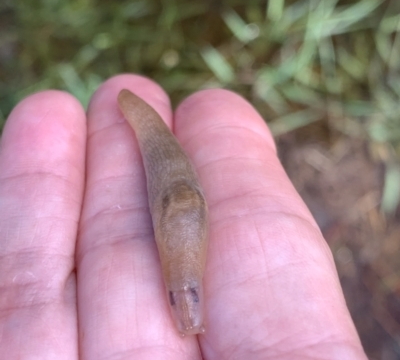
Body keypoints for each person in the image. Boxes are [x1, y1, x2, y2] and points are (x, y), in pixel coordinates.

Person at [0, 74, 367, 359]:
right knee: (179, 206)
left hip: (180, 212)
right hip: (175, 204)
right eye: (182, 300)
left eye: (184, 300)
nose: (188, 316)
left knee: (182, 213)